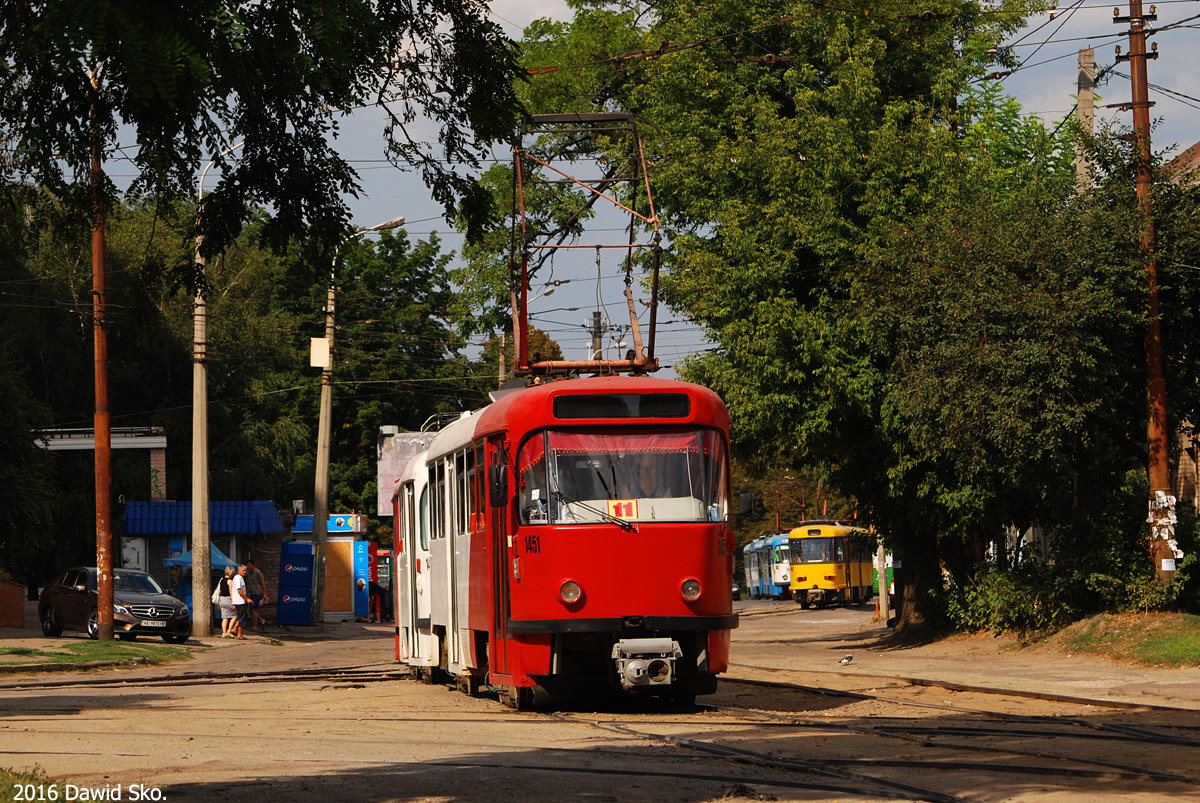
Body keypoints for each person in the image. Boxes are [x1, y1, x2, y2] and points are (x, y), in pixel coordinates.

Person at [244, 558, 270, 632]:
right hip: (251, 593)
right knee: (251, 610)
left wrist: (264, 593)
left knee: (253, 609)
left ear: (252, 565)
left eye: (249, 565)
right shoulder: (248, 573)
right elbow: (248, 584)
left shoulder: (258, 572)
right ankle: (261, 620)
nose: (248, 567)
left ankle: (255, 626)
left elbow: (263, 583)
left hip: (257, 593)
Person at [230, 564, 251, 640]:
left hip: (240, 600)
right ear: (239, 571)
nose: (245, 572)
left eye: (246, 571)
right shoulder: (238, 578)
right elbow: (239, 590)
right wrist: (247, 599)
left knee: (243, 616)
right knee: (242, 617)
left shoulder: (241, 578)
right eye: (243, 571)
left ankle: (237, 631)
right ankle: (236, 631)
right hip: (239, 601)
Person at [217, 566, 236, 638]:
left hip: (222, 599)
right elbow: (231, 592)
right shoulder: (230, 581)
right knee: (235, 615)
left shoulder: (222, 580)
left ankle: (223, 633)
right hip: (228, 599)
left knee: (225, 617)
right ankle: (229, 630)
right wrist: (234, 602)